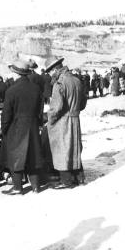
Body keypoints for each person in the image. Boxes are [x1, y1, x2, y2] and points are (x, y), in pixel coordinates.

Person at [0, 60, 44, 195]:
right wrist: (38, 124)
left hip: (16, 127)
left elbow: (6, 114)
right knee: (33, 155)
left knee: (15, 155)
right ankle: (35, 187)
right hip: (33, 125)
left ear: (16, 73)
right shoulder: (36, 89)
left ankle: (18, 187)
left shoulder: (11, 90)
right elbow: (40, 110)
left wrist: (4, 129)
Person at [45, 57, 87, 189]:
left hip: (63, 120)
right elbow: (83, 103)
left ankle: (66, 180)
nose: (50, 75)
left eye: (50, 71)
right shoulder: (76, 80)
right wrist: (75, 111)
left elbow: (56, 107)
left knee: (62, 150)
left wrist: (49, 119)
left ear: (55, 69)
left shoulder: (60, 84)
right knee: (74, 148)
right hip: (75, 118)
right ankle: (79, 177)